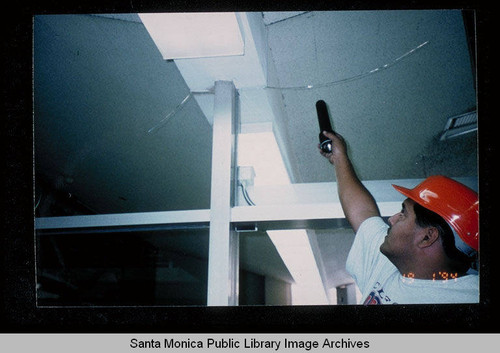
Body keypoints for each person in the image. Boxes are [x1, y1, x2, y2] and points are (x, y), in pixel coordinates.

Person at [319, 130, 479, 304]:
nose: (391, 219)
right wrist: (339, 158)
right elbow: (363, 212)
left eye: (403, 214)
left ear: (427, 237)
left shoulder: (470, 298)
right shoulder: (388, 262)